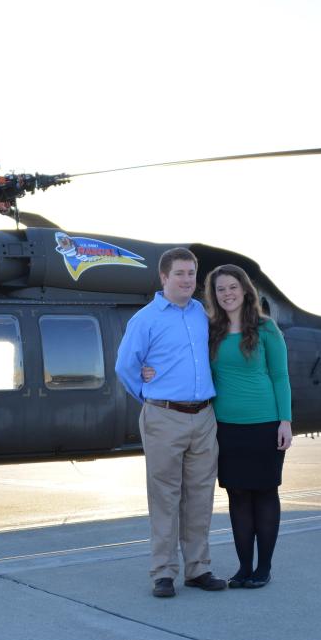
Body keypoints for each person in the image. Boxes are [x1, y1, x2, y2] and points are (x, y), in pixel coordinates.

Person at [144, 263, 292, 589]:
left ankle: (262, 569)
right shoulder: (210, 329)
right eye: (220, 289)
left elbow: (280, 377)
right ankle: (243, 569)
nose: (227, 294)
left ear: (244, 290)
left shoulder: (266, 329)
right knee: (237, 496)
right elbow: (186, 361)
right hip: (224, 425)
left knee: (265, 494)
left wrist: (285, 421)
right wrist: (149, 370)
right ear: (214, 295)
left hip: (265, 423)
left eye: (232, 288)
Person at [115, 247, 228, 598]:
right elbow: (125, 366)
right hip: (164, 415)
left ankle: (199, 569)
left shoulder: (201, 314)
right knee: (164, 498)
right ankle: (163, 573)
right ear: (163, 278)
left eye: (192, 274)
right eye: (179, 274)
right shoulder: (145, 319)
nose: (187, 280)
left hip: (203, 417)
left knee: (200, 497)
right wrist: (150, 395)